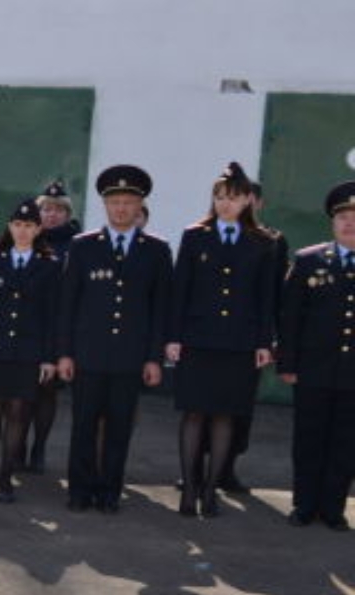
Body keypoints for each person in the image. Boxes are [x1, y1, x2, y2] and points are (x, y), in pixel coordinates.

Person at [56, 164, 172, 513]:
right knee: (83, 426)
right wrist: (64, 353)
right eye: (115, 202)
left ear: (140, 207)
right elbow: (68, 305)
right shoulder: (83, 246)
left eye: (128, 202)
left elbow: (160, 309)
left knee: (120, 429)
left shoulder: (156, 250)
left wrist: (154, 358)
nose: (121, 208)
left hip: (130, 358)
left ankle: (109, 491)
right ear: (105, 206)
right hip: (88, 355)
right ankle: (79, 490)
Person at [167, 162, 278, 518]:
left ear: (248, 199)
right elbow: (179, 289)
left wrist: (264, 342)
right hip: (198, 339)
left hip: (239, 342)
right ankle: (189, 489)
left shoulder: (263, 243)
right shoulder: (196, 235)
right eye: (219, 197)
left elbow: (266, 298)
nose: (225, 204)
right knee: (194, 413)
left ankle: (212, 490)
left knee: (225, 416)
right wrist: (173, 337)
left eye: (232, 198)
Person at [0, 200, 60, 502]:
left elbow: (52, 316)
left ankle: (6, 478)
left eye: (29, 226)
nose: (22, 231)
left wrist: (48, 357)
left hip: (28, 352)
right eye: (17, 225)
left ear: (38, 229)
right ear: (9, 226)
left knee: (18, 415)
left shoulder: (50, 265)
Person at [274, 180, 355, 532]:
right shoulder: (308, 261)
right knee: (309, 439)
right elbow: (290, 317)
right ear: (332, 221)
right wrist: (288, 364)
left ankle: (333, 508)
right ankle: (304, 505)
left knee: (346, 443)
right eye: (342, 216)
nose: (349, 222)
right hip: (312, 370)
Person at [26, 179, 80, 472]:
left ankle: (39, 448)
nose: (51, 215)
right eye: (46, 208)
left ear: (67, 213)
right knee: (22, 392)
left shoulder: (76, 243)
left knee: (46, 392)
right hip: (25, 324)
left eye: (58, 209)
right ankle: (17, 446)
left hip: (56, 325)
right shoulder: (25, 235)